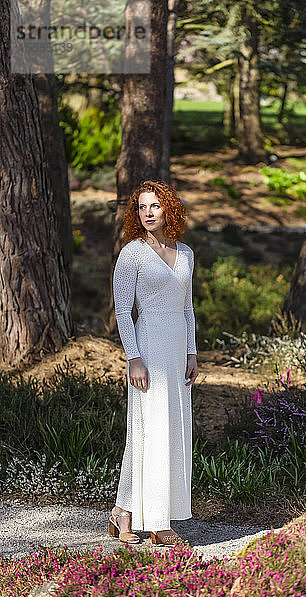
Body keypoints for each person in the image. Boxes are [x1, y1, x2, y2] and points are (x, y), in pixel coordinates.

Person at [109, 179, 199, 547]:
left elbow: (188, 307)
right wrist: (134, 358)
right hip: (148, 352)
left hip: (178, 353)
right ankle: (160, 525)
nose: (147, 213)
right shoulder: (132, 254)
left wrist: (192, 351)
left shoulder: (187, 253)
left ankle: (122, 514)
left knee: (167, 433)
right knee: (149, 431)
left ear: (169, 210)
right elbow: (122, 310)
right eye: (142, 207)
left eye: (155, 206)